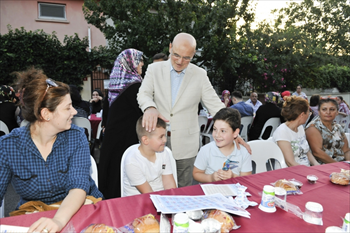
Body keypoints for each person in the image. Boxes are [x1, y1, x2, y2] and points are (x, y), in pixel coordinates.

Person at [0, 68, 103, 232]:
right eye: (68, 107)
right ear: (46, 114)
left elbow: (79, 188)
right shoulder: (9, 146)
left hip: (80, 208)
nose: (74, 112)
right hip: (34, 213)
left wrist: (57, 221)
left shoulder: (76, 137)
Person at [137, 32, 227, 188]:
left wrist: (231, 127)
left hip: (186, 145)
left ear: (193, 55)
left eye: (186, 58)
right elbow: (143, 94)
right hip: (156, 140)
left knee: (184, 188)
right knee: (154, 187)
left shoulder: (200, 74)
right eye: (176, 55)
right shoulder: (154, 69)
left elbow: (215, 105)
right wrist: (150, 107)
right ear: (170, 47)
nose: (179, 61)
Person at [99, 48, 144, 199]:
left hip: (113, 136)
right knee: (122, 173)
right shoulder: (135, 86)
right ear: (131, 64)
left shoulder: (116, 84)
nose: (141, 66)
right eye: (139, 63)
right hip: (126, 137)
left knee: (112, 173)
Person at [193, 108, 252, 183]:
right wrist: (211, 178)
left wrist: (233, 176)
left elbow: (246, 181)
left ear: (235, 133)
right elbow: (196, 174)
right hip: (210, 191)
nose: (217, 135)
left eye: (223, 131)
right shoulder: (206, 150)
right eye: (214, 129)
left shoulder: (244, 153)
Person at [123, 116, 176, 196]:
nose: (165, 140)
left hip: (161, 197)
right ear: (145, 140)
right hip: (138, 201)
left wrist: (173, 199)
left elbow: (169, 184)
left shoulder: (164, 152)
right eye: (161, 137)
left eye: (164, 135)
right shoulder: (132, 161)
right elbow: (148, 193)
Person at [273, 96, 319, 167]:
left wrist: (317, 165)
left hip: (305, 169)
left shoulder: (300, 128)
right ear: (302, 115)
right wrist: (309, 171)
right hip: (290, 172)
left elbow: (306, 152)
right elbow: (290, 163)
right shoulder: (282, 131)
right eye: (309, 112)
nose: (309, 115)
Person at [305, 97, 350, 164]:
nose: (328, 112)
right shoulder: (313, 127)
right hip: (324, 166)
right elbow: (317, 153)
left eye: (332, 109)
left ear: (337, 112)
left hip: (342, 165)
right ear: (319, 112)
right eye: (324, 109)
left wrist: (348, 165)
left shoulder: (338, 127)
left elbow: (346, 150)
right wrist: (339, 166)